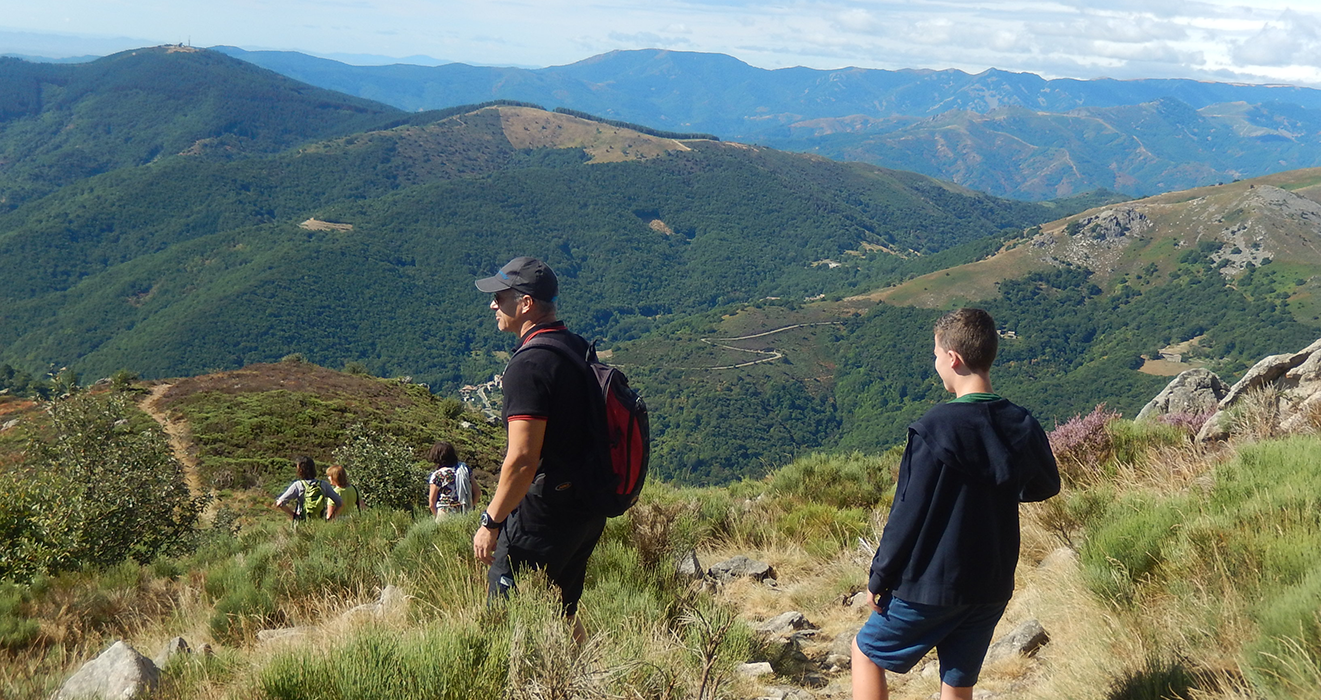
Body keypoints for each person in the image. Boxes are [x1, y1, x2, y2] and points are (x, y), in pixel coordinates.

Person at [852, 308, 1060, 700]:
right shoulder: (1021, 422)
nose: (935, 364)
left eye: (935, 355)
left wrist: (879, 576)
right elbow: (1047, 484)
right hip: (991, 584)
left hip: (930, 585)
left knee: (865, 653)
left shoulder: (934, 428)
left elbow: (907, 513)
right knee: (958, 682)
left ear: (953, 358)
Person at [471, 256, 605, 646]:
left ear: (526, 303)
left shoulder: (528, 365)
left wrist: (491, 522)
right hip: (586, 506)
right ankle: (585, 672)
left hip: (544, 514)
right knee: (562, 609)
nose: (493, 305)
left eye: (500, 297)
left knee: (506, 616)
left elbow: (522, 460)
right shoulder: (576, 347)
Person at [273, 455, 344, 522]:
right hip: (319, 523)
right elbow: (340, 503)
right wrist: (330, 519)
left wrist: (294, 515)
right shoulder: (323, 484)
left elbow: (279, 503)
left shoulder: (298, 485)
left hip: (302, 523)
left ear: (300, 470)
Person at [427, 440, 481, 519]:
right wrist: (470, 507)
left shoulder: (437, 475)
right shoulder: (464, 469)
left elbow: (431, 504)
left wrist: (437, 516)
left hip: (444, 514)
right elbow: (477, 492)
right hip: (463, 513)